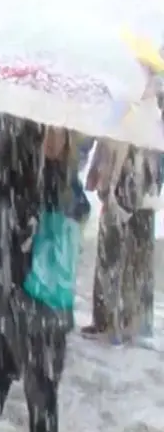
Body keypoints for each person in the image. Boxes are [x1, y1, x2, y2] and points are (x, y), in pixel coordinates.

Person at [0, 119, 78, 432]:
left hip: (47, 308)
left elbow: (76, 215)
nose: (58, 139)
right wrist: (17, 225)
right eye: (54, 130)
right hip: (7, 296)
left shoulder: (63, 171)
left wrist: (63, 208)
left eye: (64, 133)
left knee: (44, 400)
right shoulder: (7, 159)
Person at [81, 140, 159, 342]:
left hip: (135, 177)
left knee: (120, 253)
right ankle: (123, 320)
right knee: (122, 253)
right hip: (133, 176)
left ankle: (121, 321)